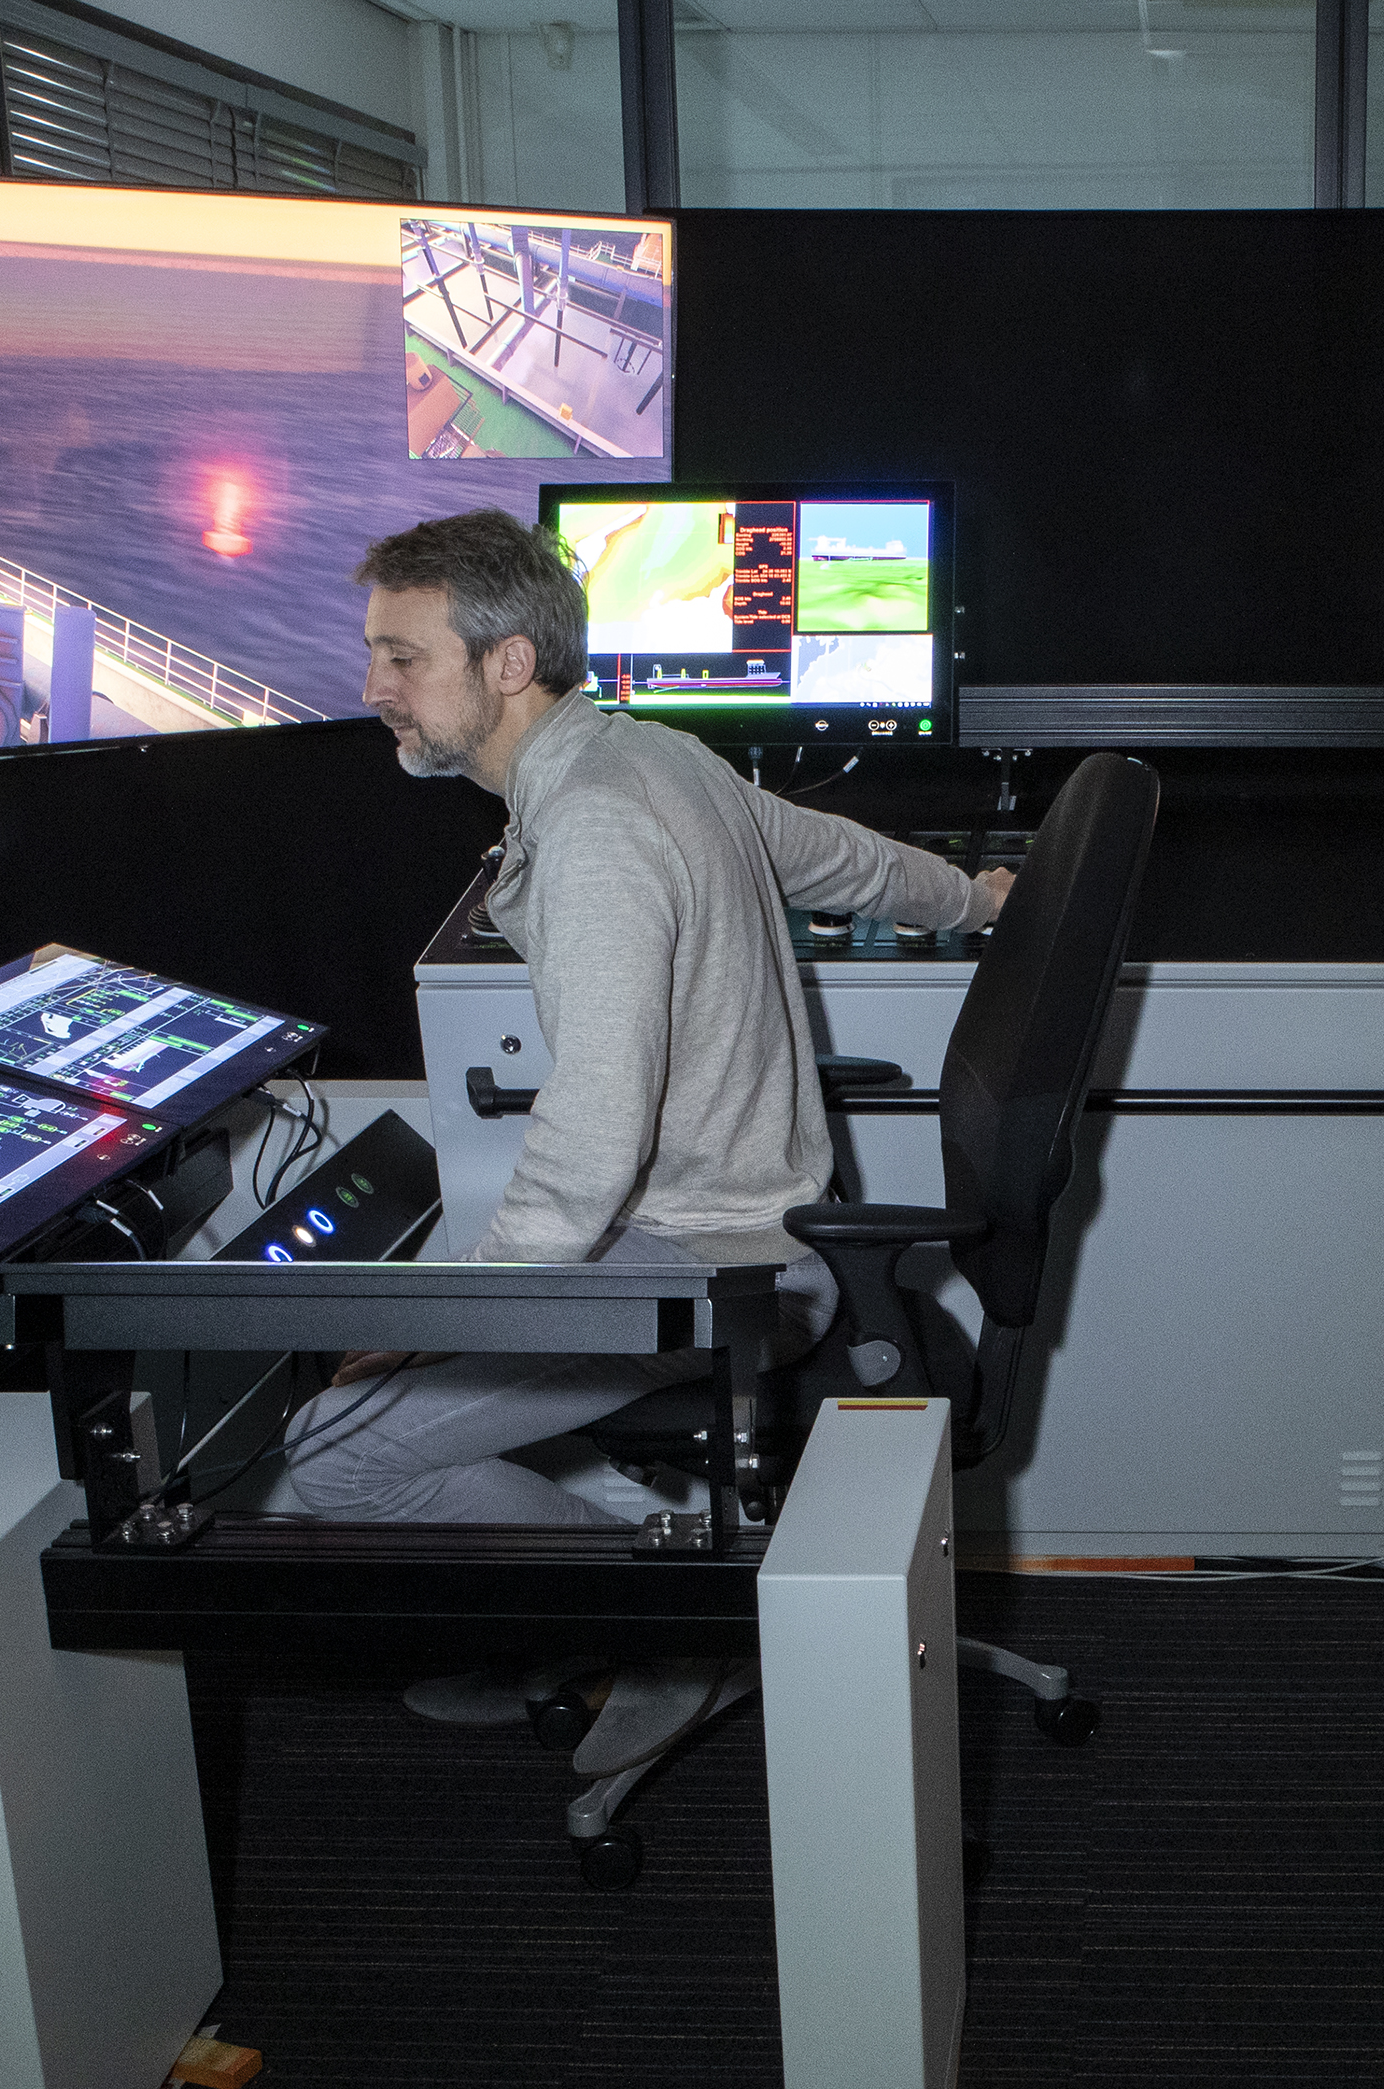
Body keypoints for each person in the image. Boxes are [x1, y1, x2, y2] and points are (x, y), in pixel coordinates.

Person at [270, 508, 1005, 1538]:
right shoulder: (653, 755)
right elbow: (846, 860)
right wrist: (978, 900)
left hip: (721, 1267)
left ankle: (663, 1639)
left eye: (403, 658)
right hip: (741, 1231)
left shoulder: (593, 828)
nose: (373, 690)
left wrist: (437, 1321)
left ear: (509, 661)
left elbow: (592, 1137)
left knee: (334, 1451)